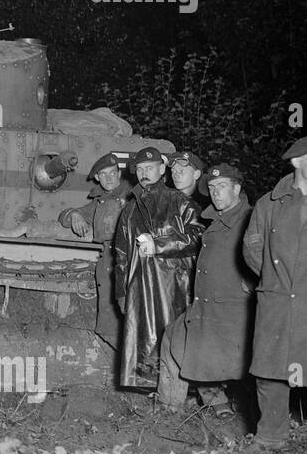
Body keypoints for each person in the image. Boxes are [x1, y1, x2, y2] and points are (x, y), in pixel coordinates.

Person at [243, 135, 307, 454]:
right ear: (296, 162)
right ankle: (271, 436)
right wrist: (277, 281)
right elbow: (252, 247)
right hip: (279, 300)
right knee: (271, 372)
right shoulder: (269, 203)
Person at [163, 163, 257, 417]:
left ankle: (253, 410)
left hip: (235, 306)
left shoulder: (251, 219)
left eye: (222, 186)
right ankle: (177, 406)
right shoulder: (218, 218)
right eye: (212, 188)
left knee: (244, 363)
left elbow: (265, 258)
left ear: (237, 189)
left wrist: (249, 288)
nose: (215, 192)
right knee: (181, 341)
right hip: (208, 304)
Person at [113, 146, 205, 391]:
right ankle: (147, 392)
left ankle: (175, 394)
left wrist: (160, 245)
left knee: (171, 339)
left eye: (150, 168)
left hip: (171, 287)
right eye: (140, 169)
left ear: (162, 169)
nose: (144, 173)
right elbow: (121, 254)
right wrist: (121, 292)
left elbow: (196, 237)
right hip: (138, 286)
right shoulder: (130, 210)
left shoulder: (179, 201)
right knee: (141, 341)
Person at [59, 152, 131, 344]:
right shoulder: (101, 200)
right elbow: (65, 216)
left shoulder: (132, 195)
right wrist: (75, 215)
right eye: (103, 174)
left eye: (112, 173)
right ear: (97, 178)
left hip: (131, 260)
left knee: (131, 317)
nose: (109, 178)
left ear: (119, 173)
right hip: (109, 260)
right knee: (109, 323)